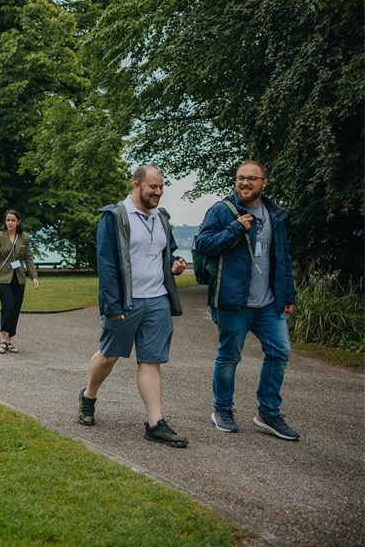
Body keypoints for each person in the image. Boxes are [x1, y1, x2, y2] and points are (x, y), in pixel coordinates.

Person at [78, 165, 189, 448]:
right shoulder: (114, 216)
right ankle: (88, 395)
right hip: (126, 301)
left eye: (161, 187)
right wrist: (113, 305)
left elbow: (165, 252)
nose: (158, 192)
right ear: (136, 185)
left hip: (158, 299)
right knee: (109, 356)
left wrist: (174, 264)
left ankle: (155, 423)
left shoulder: (161, 218)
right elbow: (106, 264)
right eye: (153, 187)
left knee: (151, 360)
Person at [194, 161, 299, 440]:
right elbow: (203, 244)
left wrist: (288, 293)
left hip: (268, 303)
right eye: (240, 178)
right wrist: (235, 228)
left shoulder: (275, 214)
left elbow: (283, 256)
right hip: (233, 302)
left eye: (252, 178)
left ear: (264, 183)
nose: (245, 182)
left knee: (280, 351)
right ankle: (222, 409)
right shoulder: (222, 210)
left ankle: (268, 413)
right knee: (229, 356)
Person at [0, 209, 40, 353]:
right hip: (2, 278)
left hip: (19, 278)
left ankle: (9, 341)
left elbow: (28, 257)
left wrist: (34, 276)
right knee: (9, 305)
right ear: (5, 222)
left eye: (13, 220)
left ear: (18, 222)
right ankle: (3, 340)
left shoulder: (24, 237)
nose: (10, 223)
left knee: (16, 308)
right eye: (8, 220)